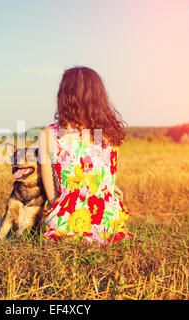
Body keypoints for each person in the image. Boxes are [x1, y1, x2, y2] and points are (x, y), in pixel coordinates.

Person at [38, 66, 133, 246]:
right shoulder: (109, 134)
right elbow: (107, 178)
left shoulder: (49, 135)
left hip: (65, 223)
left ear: (64, 97)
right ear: (99, 97)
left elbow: (52, 194)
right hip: (108, 223)